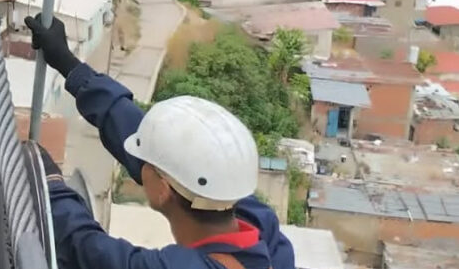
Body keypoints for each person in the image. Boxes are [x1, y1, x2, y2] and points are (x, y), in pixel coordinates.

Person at [24, 15, 295, 269]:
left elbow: (84, 248)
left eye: (148, 163)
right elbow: (145, 137)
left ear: (163, 189)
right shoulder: (262, 230)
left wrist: (47, 183)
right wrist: (70, 66)